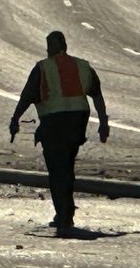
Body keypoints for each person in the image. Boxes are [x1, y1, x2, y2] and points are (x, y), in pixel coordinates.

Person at [9, 31, 109, 237]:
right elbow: (97, 95)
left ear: (50, 47)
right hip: (77, 122)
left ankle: (63, 215)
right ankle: (66, 211)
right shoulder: (81, 66)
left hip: (55, 124)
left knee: (57, 170)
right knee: (67, 166)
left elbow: (27, 96)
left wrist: (15, 118)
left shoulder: (42, 68)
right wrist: (103, 122)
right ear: (65, 45)